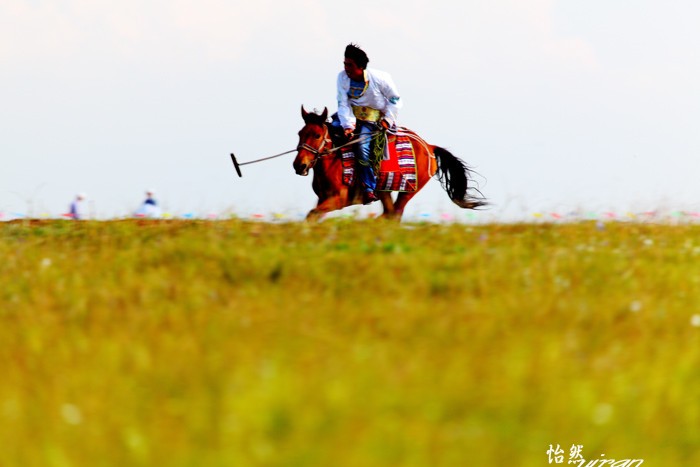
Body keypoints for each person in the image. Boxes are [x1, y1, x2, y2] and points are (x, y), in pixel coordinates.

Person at [335, 43, 402, 204]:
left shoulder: (380, 78)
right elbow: (342, 103)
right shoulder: (342, 77)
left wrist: (387, 120)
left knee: (362, 148)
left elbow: (395, 100)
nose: (346, 68)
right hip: (349, 116)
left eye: (349, 65)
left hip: (372, 121)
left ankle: (368, 188)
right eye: (345, 64)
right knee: (323, 133)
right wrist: (347, 125)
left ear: (360, 67)